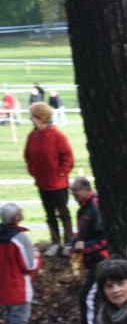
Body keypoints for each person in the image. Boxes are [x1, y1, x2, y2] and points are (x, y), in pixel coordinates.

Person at [24, 101, 74, 256]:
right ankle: (55, 242)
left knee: (64, 214)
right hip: (42, 184)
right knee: (49, 215)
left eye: (33, 116)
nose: (31, 119)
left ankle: (68, 243)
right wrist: (34, 172)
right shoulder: (32, 136)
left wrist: (61, 173)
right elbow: (28, 156)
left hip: (58, 184)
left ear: (41, 118)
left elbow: (68, 158)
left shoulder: (58, 136)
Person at [65, 177, 109, 324]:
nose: (73, 194)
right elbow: (83, 233)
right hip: (92, 262)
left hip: (101, 261)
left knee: (87, 297)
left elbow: (104, 237)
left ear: (85, 189)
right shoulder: (84, 208)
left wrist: (87, 247)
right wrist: (72, 243)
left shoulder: (95, 207)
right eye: (71, 191)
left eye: (75, 190)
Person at [0, 203, 41, 324]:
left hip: (2, 288)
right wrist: (38, 258)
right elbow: (28, 266)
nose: (22, 212)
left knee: (8, 317)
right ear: (16, 218)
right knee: (19, 320)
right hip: (18, 287)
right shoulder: (20, 238)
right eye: (20, 211)